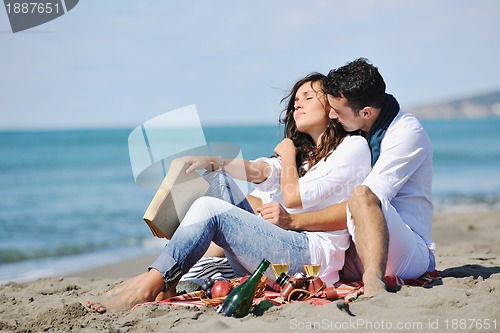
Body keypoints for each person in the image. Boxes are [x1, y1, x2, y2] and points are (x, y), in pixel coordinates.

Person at [86, 73, 371, 312]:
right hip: (282, 244)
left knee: (211, 210)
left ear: (332, 107)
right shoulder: (302, 155)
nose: (298, 105)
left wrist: (287, 154)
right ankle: (168, 277)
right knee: (218, 181)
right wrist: (212, 161)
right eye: (296, 100)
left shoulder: (351, 148)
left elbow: (294, 197)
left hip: (310, 258)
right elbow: (260, 171)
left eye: (308, 98)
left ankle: (152, 282)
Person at [270, 58, 435, 297]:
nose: (333, 116)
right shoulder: (357, 129)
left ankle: (373, 282)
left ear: (366, 112)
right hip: (354, 247)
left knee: (362, 194)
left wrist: (294, 221)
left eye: (337, 111)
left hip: (404, 250)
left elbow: (365, 202)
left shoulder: (406, 134)